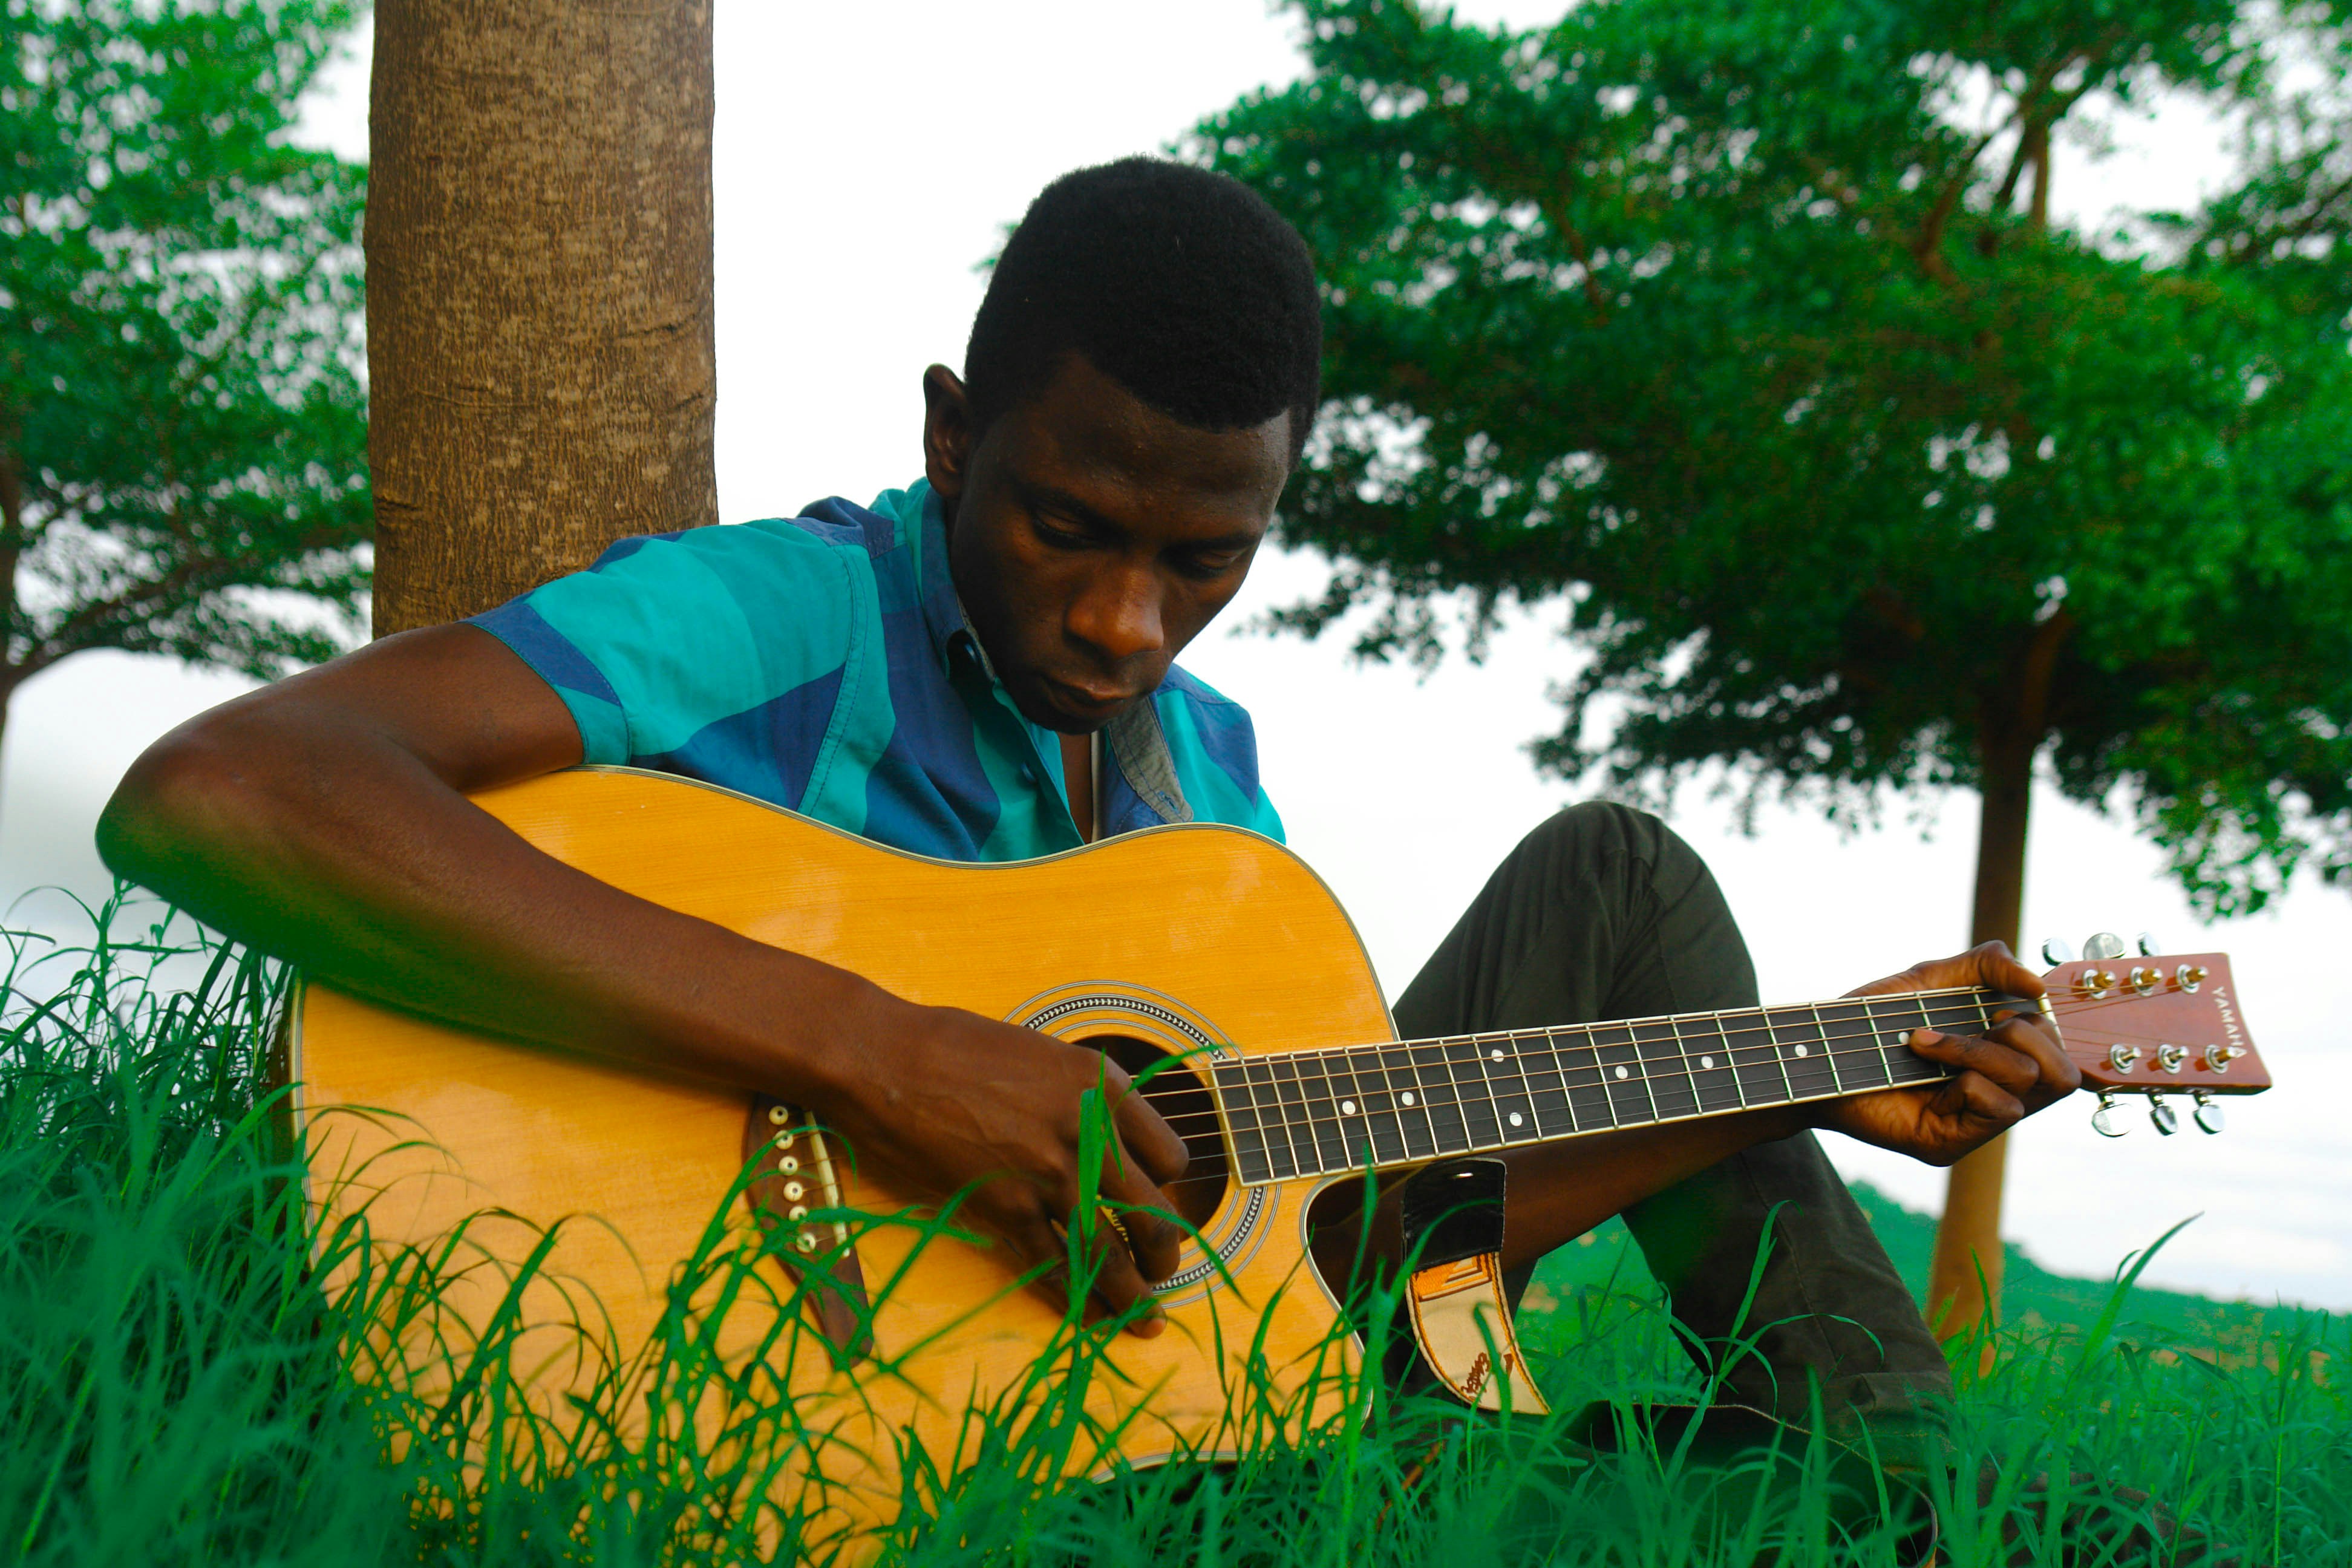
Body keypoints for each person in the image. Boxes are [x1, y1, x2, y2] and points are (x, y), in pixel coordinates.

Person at [96, 157, 2076, 1447]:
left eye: (1205, 560)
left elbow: (1338, 1248)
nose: (1129, 622)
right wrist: (881, 1053)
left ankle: (1896, 1495)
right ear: (954, 433)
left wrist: (1792, 1081)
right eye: (1067, 526)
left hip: (1117, 1410)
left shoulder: (1207, 792)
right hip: (743, 1355)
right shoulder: (783, 614)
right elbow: (226, 788)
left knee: (1620, 886)